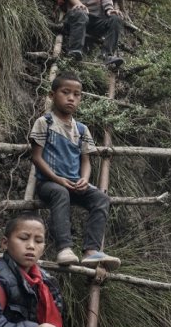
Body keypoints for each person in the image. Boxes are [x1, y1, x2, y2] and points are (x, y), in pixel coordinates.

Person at [29, 71, 121, 268]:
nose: (71, 98)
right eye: (65, 92)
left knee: (101, 198)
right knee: (60, 192)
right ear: (52, 95)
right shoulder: (44, 123)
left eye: (76, 94)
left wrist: (84, 179)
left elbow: (85, 160)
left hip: (74, 183)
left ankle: (91, 251)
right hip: (49, 184)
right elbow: (36, 157)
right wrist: (57, 179)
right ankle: (64, 248)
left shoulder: (81, 129)